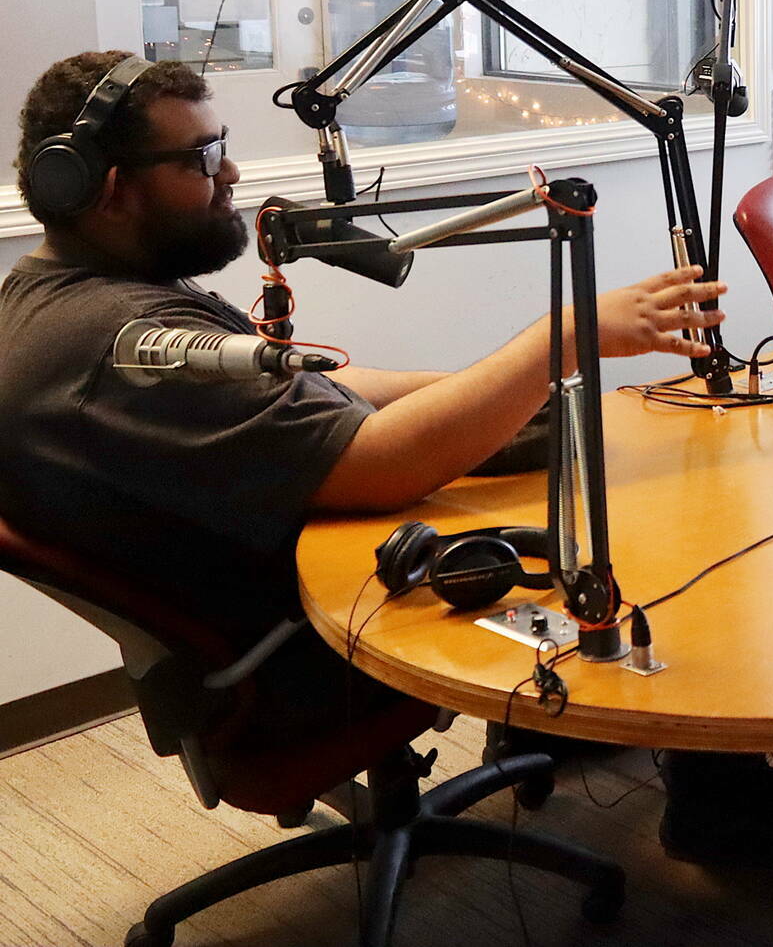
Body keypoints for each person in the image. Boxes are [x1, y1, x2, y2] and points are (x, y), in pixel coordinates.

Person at [0, 51, 725, 729]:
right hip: (307, 643)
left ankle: (566, 735)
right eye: (203, 157)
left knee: (553, 455)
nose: (231, 173)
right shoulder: (128, 345)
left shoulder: (56, 296)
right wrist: (567, 333)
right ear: (108, 188)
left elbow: (311, 377)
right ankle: (712, 787)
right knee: (650, 538)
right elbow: (381, 468)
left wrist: (496, 394)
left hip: (268, 579)